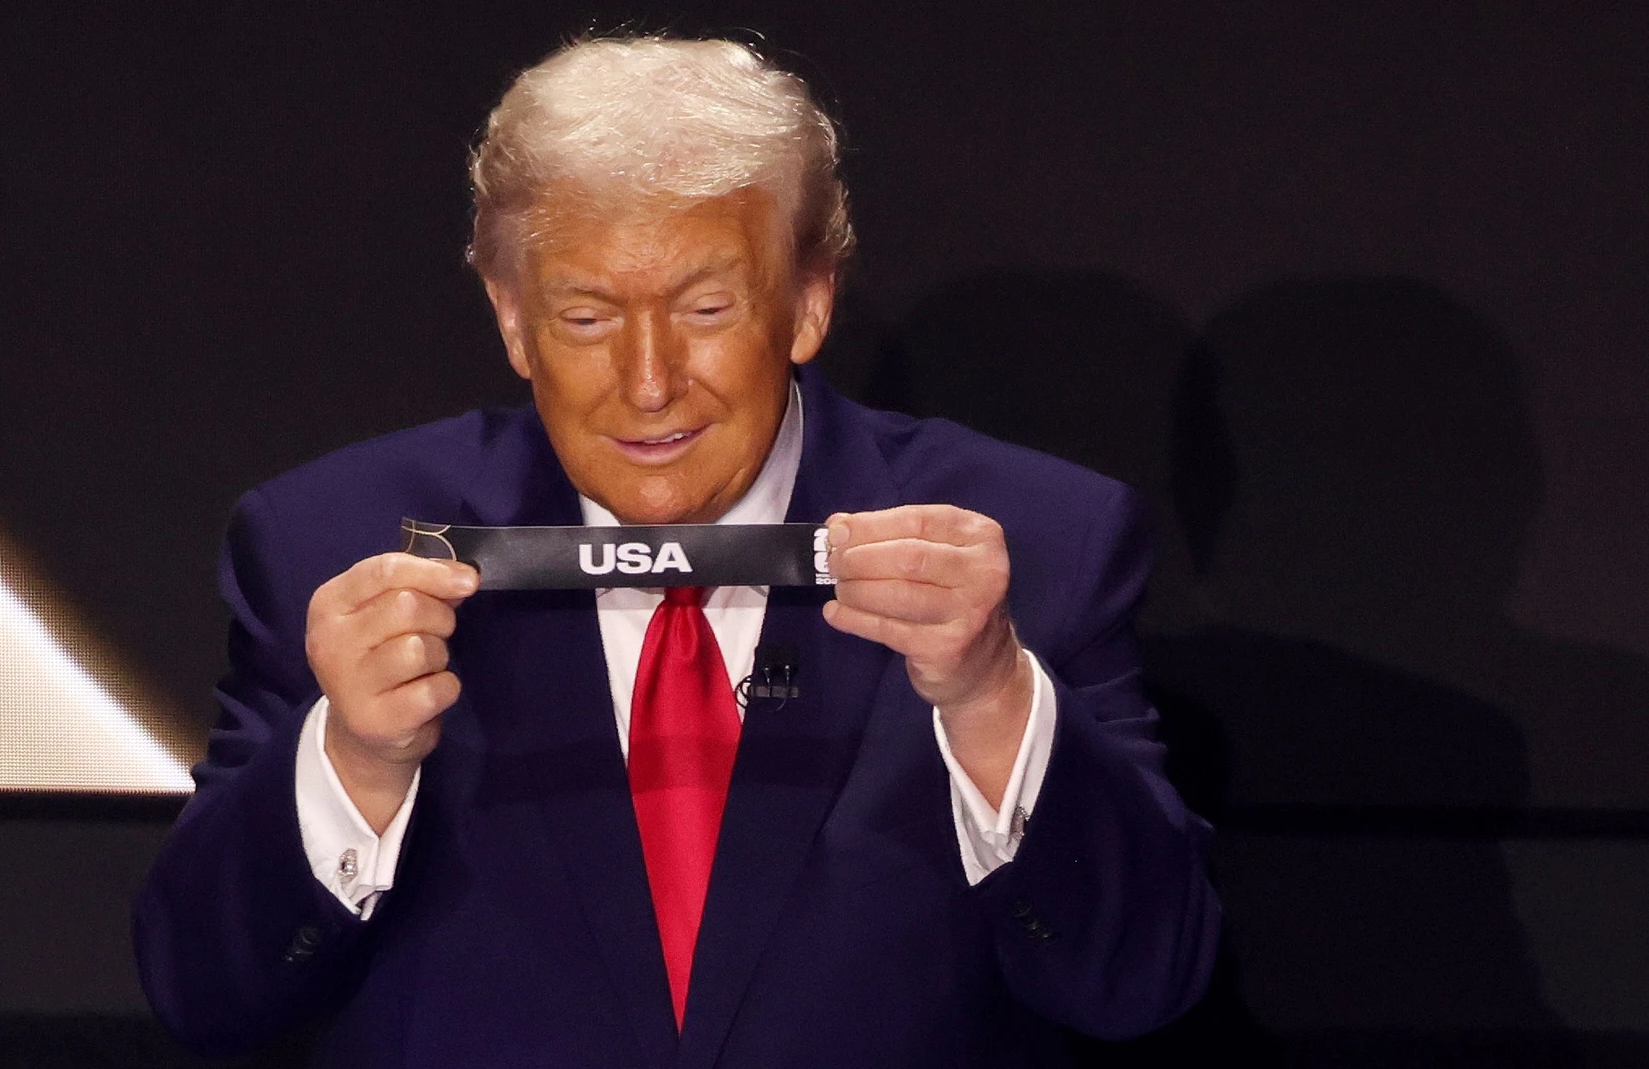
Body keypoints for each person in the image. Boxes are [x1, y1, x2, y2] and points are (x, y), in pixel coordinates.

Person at [134, 36, 1218, 1067]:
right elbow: (207, 995)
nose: (649, 382)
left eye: (706, 306)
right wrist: (354, 764)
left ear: (807, 300)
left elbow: (1137, 983)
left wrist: (989, 698)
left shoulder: (1034, 547)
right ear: (511, 318)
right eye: (588, 317)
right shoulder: (329, 544)